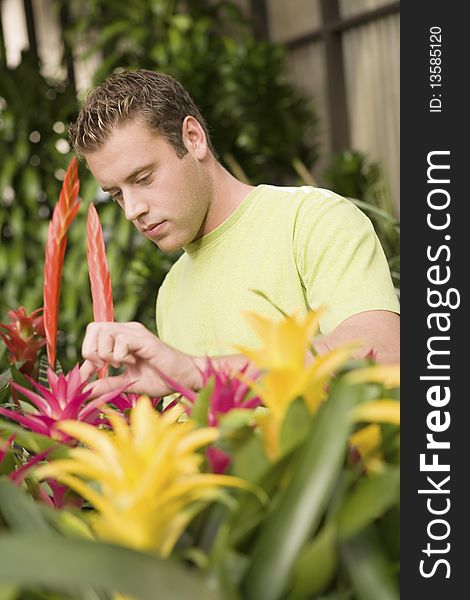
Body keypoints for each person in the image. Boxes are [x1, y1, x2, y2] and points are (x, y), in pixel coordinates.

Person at [70, 69, 400, 398]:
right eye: (116, 194)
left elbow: (382, 353)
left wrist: (194, 371)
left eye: (143, 178)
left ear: (193, 138)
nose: (131, 210)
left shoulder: (312, 220)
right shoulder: (170, 293)